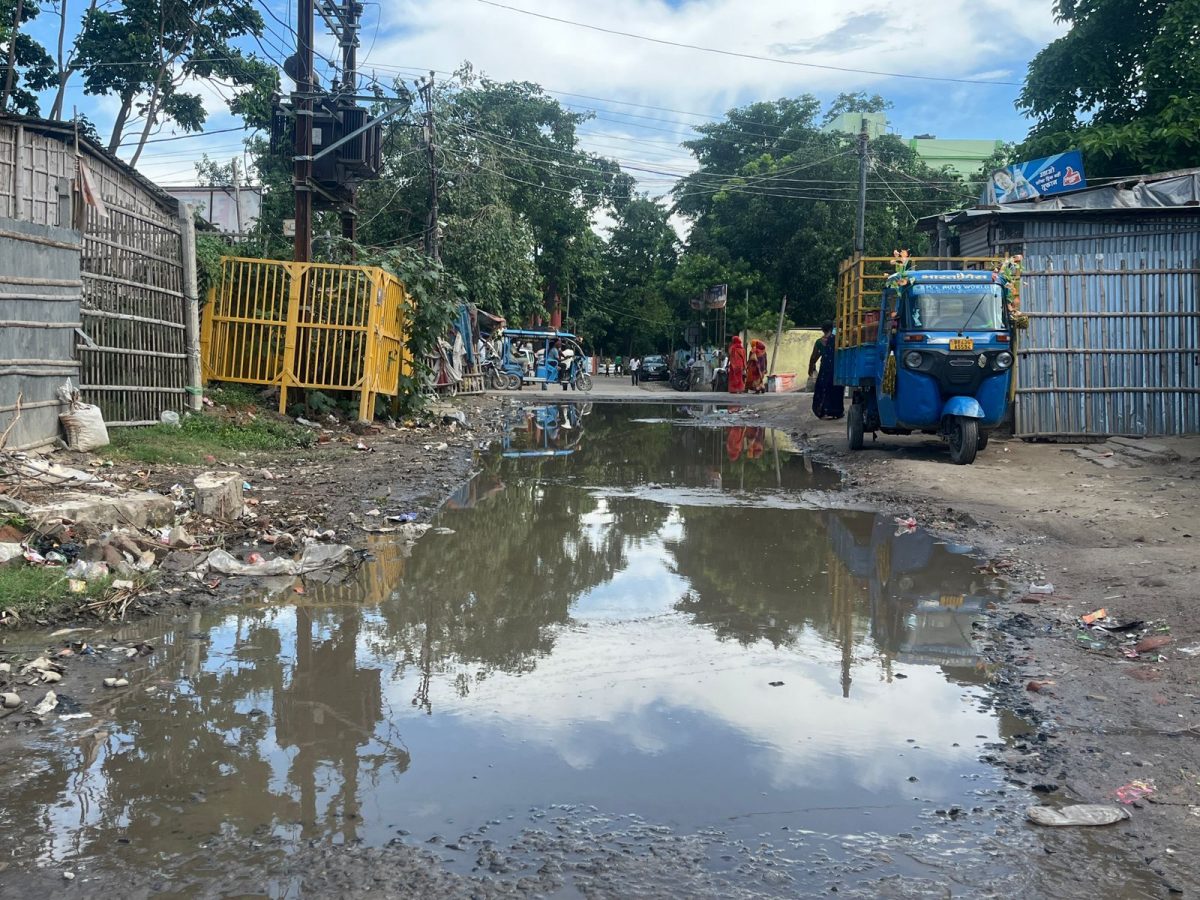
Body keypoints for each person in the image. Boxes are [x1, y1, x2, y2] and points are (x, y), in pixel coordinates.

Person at [809, 323, 844, 419]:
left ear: (822, 329)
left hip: (824, 369)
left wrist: (811, 367)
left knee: (822, 389)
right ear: (832, 328)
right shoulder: (838, 340)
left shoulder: (819, 342)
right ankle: (837, 412)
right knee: (836, 390)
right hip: (836, 369)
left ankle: (822, 411)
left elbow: (814, 356)